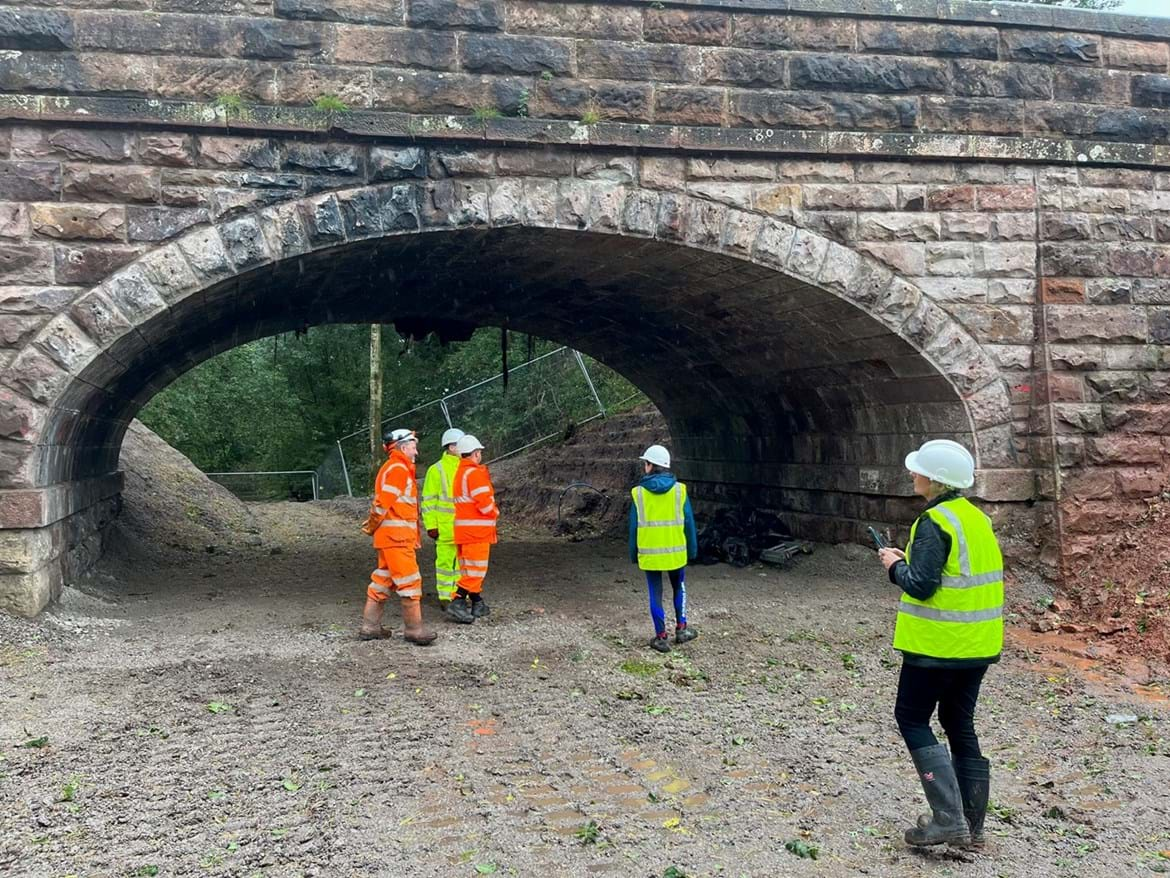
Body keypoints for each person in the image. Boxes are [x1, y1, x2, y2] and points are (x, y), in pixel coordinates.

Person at [877, 439, 1002, 849]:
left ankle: (948, 820)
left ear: (934, 479)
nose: (913, 474)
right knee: (959, 724)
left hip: (937, 646)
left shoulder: (934, 522)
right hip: (977, 644)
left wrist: (896, 566)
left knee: (912, 718)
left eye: (918, 470)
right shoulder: (975, 518)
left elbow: (922, 584)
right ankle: (973, 826)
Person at [358, 428, 437, 646]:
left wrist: (375, 527)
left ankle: (370, 626)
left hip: (392, 537)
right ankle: (414, 629)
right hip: (397, 538)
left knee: (384, 579)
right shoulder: (398, 468)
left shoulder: (395, 467)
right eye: (413, 445)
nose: (417, 450)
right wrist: (372, 526)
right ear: (403, 447)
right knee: (410, 581)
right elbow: (382, 503)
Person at [629, 444, 698, 653]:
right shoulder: (680, 490)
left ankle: (660, 637)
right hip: (676, 552)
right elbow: (689, 523)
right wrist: (692, 550)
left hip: (651, 555)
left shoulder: (638, 494)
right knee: (679, 587)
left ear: (650, 465)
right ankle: (682, 629)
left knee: (655, 593)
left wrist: (634, 553)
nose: (644, 466)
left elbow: (633, 527)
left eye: (646, 463)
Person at [448, 434, 498, 624]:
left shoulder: (460, 473)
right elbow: (484, 504)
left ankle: (477, 602)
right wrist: (495, 512)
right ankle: (458, 600)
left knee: (469, 569)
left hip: (464, 531)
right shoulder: (475, 473)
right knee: (476, 570)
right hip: (477, 532)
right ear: (476, 453)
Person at [422, 427, 465, 605]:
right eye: (462, 445)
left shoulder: (467, 467)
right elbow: (428, 501)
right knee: (446, 564)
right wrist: (431, 526)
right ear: (452, 447)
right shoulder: (436, 470)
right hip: (445, 528)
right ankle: (446, 597)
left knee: (463, 564)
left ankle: (460, 596)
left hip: (464, 527)